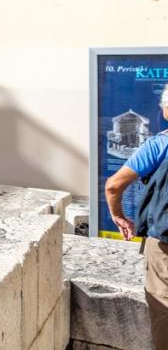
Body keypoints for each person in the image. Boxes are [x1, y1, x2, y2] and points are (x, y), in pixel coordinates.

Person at [105, 88, 168, 347]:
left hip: (164, 245)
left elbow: (113, 186)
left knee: (164, 307)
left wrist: (118, 216)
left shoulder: (159, 145)